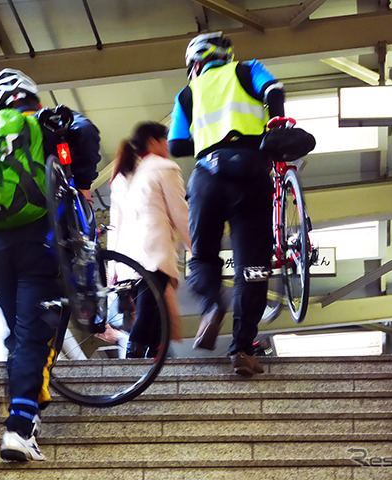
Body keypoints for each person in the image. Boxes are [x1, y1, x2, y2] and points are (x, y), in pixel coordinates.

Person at [0, 69, 100, 461]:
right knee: (33, 335)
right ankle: (19, 428)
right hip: (40, 237)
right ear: (32, 95)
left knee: (19, 332)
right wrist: (82, 177)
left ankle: (28, 399)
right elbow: (87, 132)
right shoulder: (48, 121)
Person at [168, 32, 285, 376]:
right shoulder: (248, 70)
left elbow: (175, 144)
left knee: (203, 255)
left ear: (196, 63)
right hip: (252, 171)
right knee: (254, 267)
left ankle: (210, 304)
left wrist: (209, 141)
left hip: (207, 176)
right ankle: (242, 350)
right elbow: (274, 90)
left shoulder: (187, 94)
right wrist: (274, 123)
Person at [108, 122, 192, 357]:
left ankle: (146, 372)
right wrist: (195, 246)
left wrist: (112, 267)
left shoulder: (123, 176)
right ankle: (131, 368)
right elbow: (180, 213)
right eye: (165, 140)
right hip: (153, 254)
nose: (167, 146)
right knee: (149, 315)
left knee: (155, 316)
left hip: (127, 261)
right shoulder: (164, 167)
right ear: (153, 141)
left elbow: (115, 225)